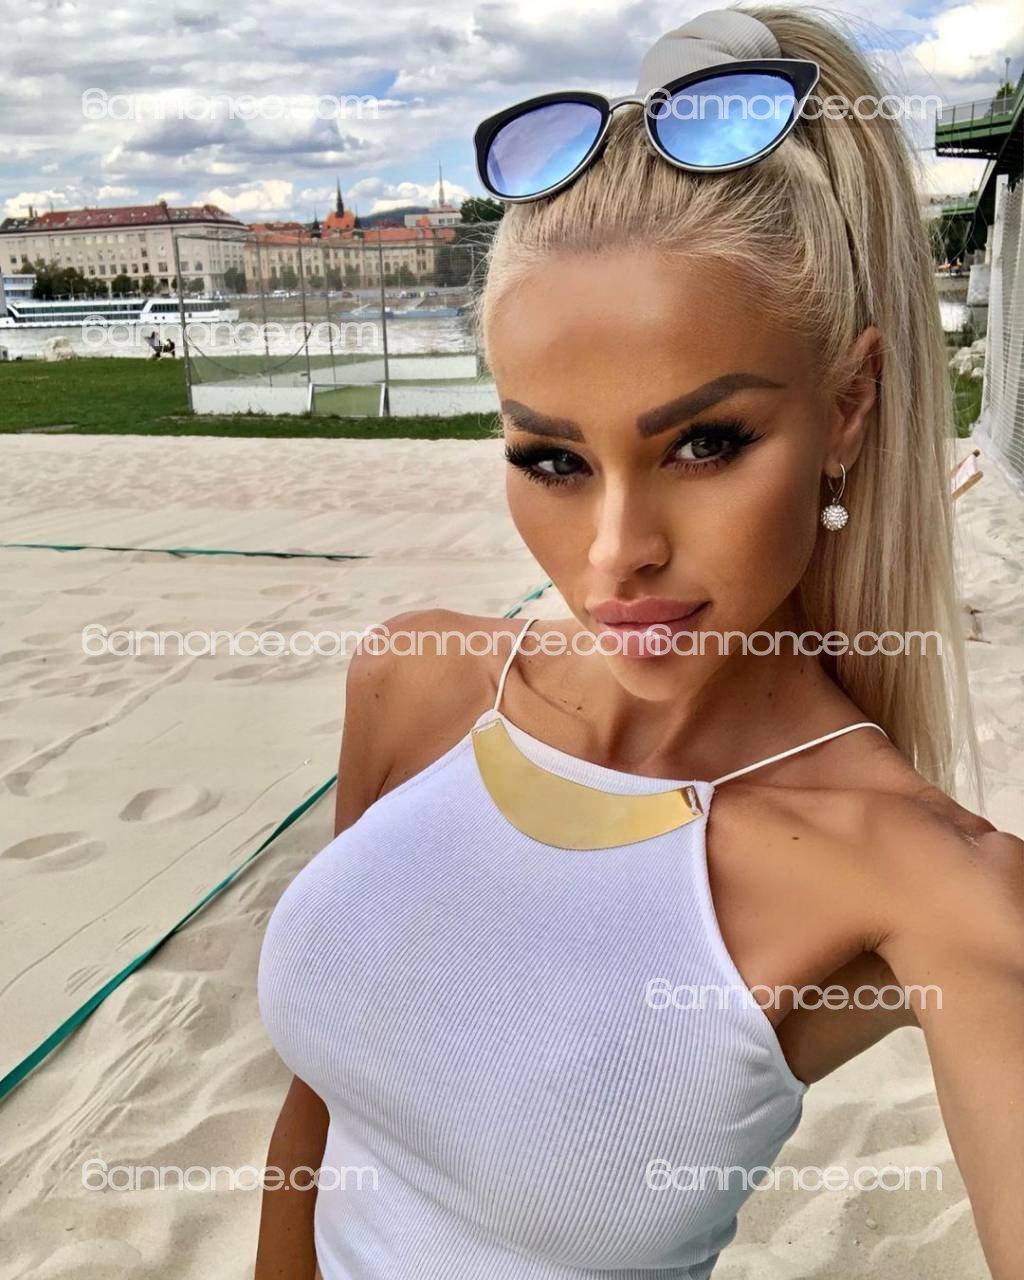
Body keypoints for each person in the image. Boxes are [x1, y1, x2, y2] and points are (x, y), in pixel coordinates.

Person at [255, 7, 1023, 1280]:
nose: (616, 554)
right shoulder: (415, 680)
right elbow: (319, 1111)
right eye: (551, 457)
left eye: (704, 444)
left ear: (847, 407)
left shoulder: (923, 880)